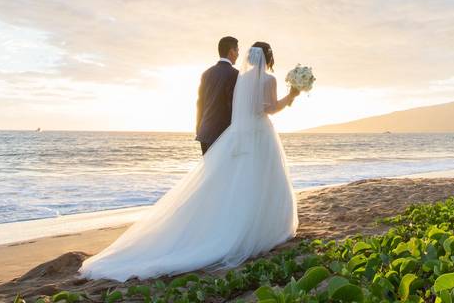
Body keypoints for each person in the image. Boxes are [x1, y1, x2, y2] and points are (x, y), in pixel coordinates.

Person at [78, 42, 301, 281]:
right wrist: (292, 95)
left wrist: (203, 129)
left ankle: (228, 223)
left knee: (234, 183)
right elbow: (268, 108)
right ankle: (260, 228)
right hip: (259, 135)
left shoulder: (239, 78)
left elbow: (217, 106)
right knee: (260, 181)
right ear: (267, 57)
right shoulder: (267, 79)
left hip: (233, 136)